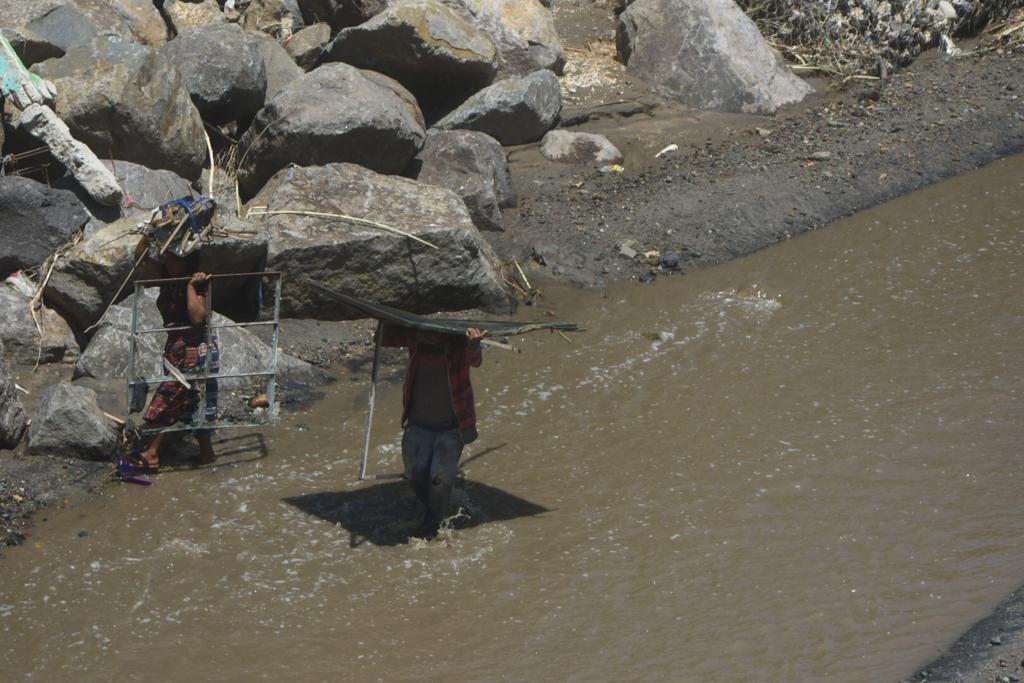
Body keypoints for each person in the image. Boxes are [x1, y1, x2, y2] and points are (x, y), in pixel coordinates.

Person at [382, 324, 488, 539]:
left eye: (434, 341)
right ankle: (436, 508)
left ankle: (432, 526)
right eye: (426, 339)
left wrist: (474, 345)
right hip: (418, 423)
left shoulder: (458, 345)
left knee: (439, 481)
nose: (430, 343)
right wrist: (382, 321)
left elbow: (475, 360)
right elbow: (383, 339)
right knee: (414, 475)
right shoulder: (415, 338)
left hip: (451, 426)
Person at [129, 244, 219, 471]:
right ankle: (207, 455)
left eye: (176, 258)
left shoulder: (200, 282)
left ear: (189, 261)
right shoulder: (166, 276)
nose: (169, 261)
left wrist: (190, 287)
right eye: (168, 256)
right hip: (176, 346)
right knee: (188, 400)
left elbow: (198, 317)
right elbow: (140, 258)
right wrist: (148, 235)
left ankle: (152, 454)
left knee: (172, 395)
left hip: (196, 347)